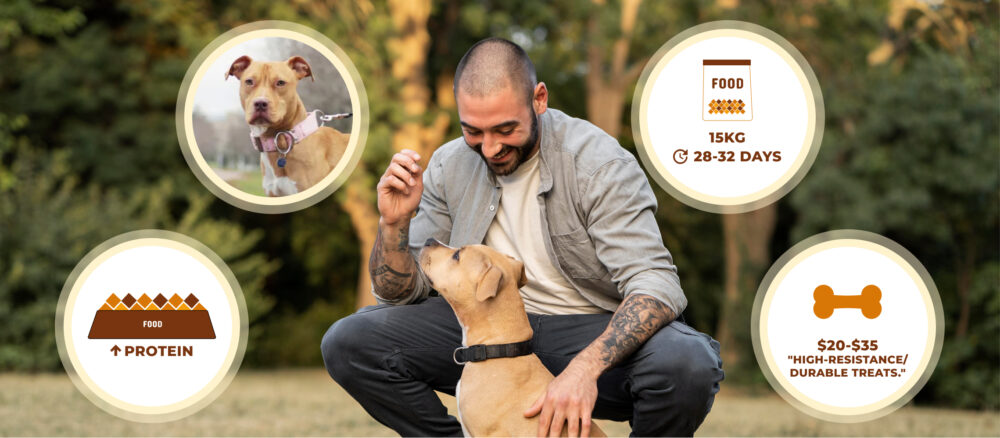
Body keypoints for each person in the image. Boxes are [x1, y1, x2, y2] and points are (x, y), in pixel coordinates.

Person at [322, 37, 723, 437]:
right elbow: (400, 294)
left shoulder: (599, 164)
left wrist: (584, 369)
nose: (491, 147)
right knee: (352, 342)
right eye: (473, 131)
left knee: (687, 362)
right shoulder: (449, 163)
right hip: (482, 331)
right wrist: (393, 224)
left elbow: (656, 285)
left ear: (539, 99)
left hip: (585, 337)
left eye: (505, 128)